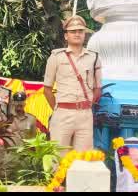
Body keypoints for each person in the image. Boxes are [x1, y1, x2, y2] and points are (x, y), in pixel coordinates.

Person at [43, 15, 102, 152]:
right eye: (73, 31)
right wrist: (58, 108)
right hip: (63, 112)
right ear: (66, 36)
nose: (77, 34)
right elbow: (47, 89)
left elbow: (98, 89)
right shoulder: (56, 57)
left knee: (83, 160)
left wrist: (86, 105)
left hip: (85, 114)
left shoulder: (94, 58)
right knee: (58, 158)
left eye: (80, 31)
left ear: (85, 34)